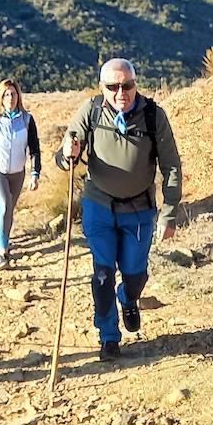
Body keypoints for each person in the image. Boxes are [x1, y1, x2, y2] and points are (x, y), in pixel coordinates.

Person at [55, 58, 182, 362]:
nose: (120, 92)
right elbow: (64, 156)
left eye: (126, 85)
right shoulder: (92, 110)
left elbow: (172, 166)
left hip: (139, 211)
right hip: (98, 206)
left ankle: (129, 297)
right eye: (113, 86)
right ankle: (108, 337)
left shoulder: (153, 115)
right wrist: (67, 154)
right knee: (102, 273)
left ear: (135, 84)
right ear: (103, 87)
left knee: (135, 274)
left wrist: (169, 212)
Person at [0, 79, 42, 269]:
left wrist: (35, 173)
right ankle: (2, 252)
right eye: (6, 94)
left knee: (8, 212)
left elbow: (35, 148)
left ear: (18, 96)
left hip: (17, 173)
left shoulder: (27, 119)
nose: (10, 98)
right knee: (4, 206)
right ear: (0, 97)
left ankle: (1, 239)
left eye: (13, 94)